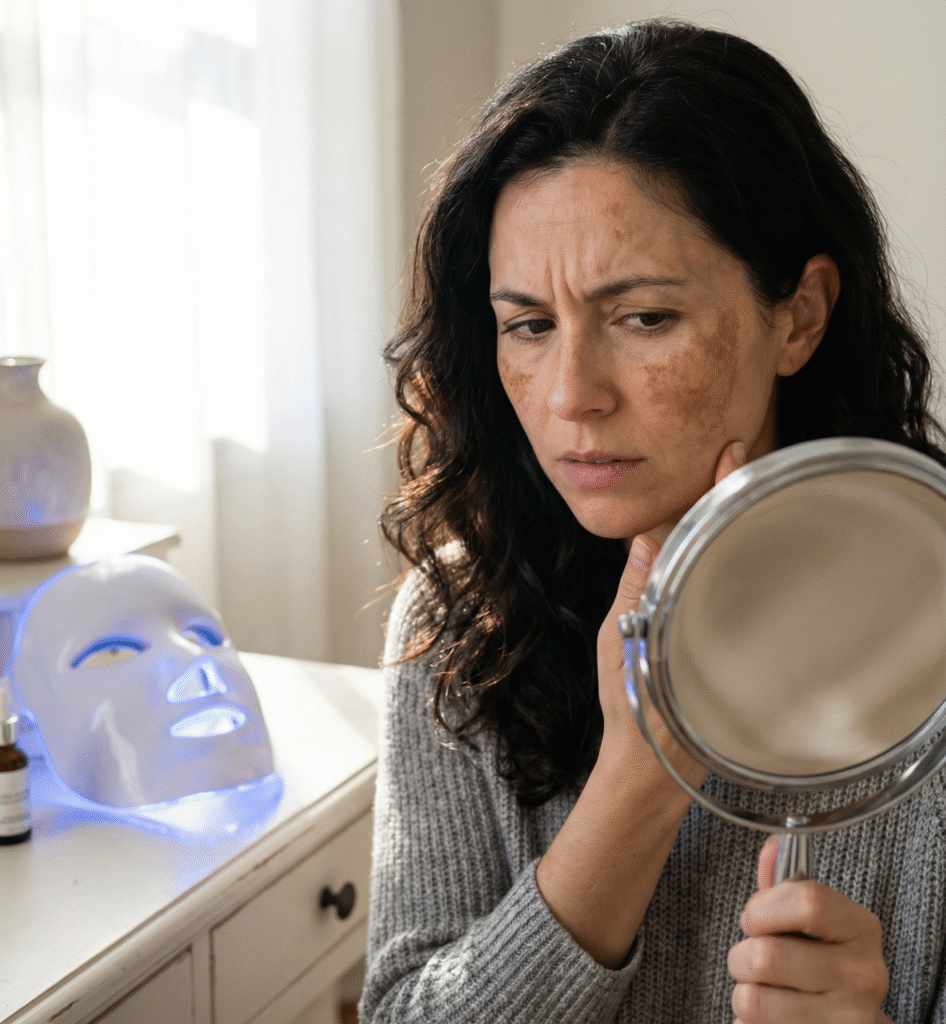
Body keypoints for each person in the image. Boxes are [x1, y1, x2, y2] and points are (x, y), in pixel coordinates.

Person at [361, 19, 946, 1024]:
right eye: (529, 326)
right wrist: (640, 778)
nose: (570, 396)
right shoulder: (461, 613)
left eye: (643, 318)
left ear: (797, 316)